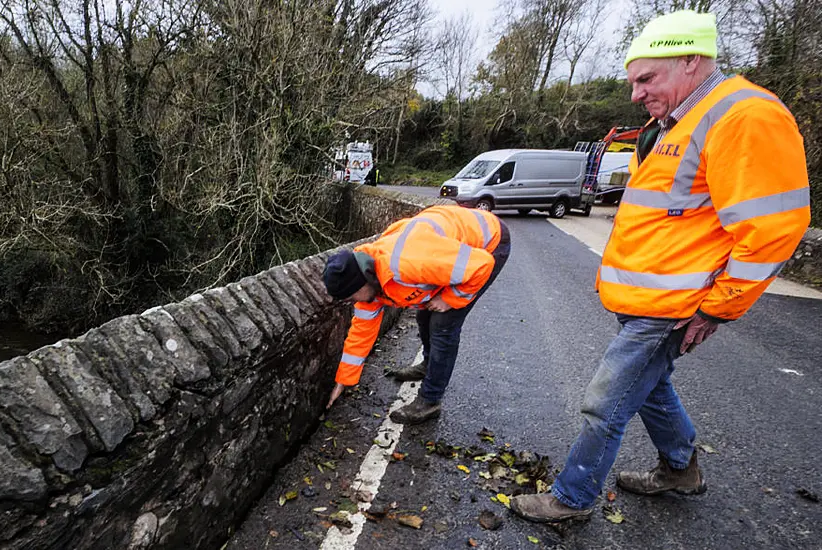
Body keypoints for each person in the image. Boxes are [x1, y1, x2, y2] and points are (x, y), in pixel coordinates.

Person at [510, 10, 811, 522]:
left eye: (646, 78)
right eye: (634, 81)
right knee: (649, 387)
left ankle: (572, 498)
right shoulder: (678, 120)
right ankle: (680, 468)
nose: (635, 94)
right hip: (648, 301)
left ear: (691, 60)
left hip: (672, 307)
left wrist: (718, 309)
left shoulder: (744, 116)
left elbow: (772, 230)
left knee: (605, 403)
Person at [322, 205, 511, 424]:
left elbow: (481, 266)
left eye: (351, 296)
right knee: (424, 314)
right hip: (450, 254)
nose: (352, 302)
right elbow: (361, 333)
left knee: (443, 324)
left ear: (362, 281)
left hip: (489, 243)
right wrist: (343, 381)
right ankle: (429, 365)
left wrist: (449, 299)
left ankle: (429, 401)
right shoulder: (368, 282)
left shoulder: (407, 263)